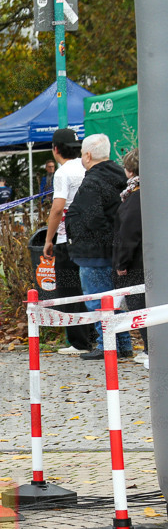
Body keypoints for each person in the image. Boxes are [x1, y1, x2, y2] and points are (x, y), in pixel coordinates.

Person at [65, 133, 132, 360]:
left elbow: (92, 218)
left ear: (88, 155)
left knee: (98, 300)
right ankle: (123, 345)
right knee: (115, 300)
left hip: (93, 252)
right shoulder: (121, 175)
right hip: (118, 250)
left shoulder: (93, 181)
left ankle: (107, 346)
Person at [42, 129, 93, 355]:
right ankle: (93, 336)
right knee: (89, 288)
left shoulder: (62, 173)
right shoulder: (87, 168)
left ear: (55, 149)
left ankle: (78, 342)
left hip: (66, 238)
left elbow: (57, 208)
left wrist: (48, 238)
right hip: (89, 235)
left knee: (69, 290)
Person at [113, 148, 147, 368]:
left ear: (129, 169)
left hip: (137, 262)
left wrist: (121, 262)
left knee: (140, 306)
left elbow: (129, 231)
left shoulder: (135, 196)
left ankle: (149, 348)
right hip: (148, 257)